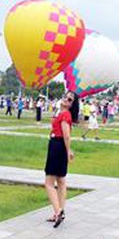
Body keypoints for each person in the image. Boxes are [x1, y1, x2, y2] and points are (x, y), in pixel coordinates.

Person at [44, 91, 79, 228]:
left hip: (58, 146)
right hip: (58, 145)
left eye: (70, 99)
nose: (66, 99)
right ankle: (59, 211)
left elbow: (67, 136)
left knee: (49, 182)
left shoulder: (65, 115)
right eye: (66, 96)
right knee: (61, 181)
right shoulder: (61, 113)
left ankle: (58, 211)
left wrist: (68, 150)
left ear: (72, 104)